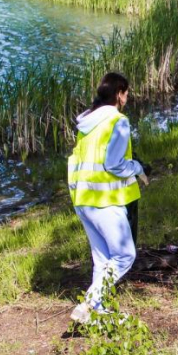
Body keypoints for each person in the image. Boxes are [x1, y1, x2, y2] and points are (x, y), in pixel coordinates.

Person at [67, 72, 149, 324]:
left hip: (83, 199)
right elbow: (114, 164)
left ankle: (97, 312)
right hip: (105, 199)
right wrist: (137, 167)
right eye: (126, 93)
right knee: (125, 255)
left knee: (103, 258)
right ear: (119, 94)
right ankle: (89, 303)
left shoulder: (87, 122)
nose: (127, 98)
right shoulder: (118, 121)